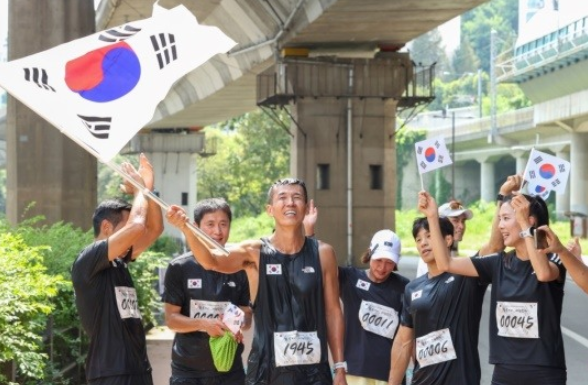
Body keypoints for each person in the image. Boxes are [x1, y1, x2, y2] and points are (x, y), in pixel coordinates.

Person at [166, 178, 347, 385]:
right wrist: (187, 229)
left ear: (306, 208)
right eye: (283, 197)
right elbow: (211, 261)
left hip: (314, 372)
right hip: (266, 371)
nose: (290, 202)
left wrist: (340, 366)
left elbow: (333, 312)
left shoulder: (324, 254)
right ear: (270, 209)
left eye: (297, 197)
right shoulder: (254, 253)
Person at [430, 191, 567, 385]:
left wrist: (528, 228)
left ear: (528, 220)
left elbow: (544, 273)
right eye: (499, 219)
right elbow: (445, 264)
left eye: (506, 218)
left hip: (544, 372)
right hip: (504, 372)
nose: (500, 225)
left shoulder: (554, 259)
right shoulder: (498, 263)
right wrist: (432, 217)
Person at [71, 153, 164, 385]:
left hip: (138, 369)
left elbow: (153, 230)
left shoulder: (120, 259)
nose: (131, 239)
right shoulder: (88, 258)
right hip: (110, 373)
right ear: (106, 227)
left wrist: (147, 191)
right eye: (123, 229)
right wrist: (140, 191)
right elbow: (137, 226)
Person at [389, 192, 486, 385]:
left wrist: (502, 197)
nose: (423, 242)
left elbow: (494, 246)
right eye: (418, 239)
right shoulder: (412, 288)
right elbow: (403, 342)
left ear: (448, 240)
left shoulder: (467, 275)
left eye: (429, 236)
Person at [162, 198, 252, 385]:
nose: (217, 231)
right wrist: (204, 324)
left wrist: (234, 323)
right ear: (196, 226)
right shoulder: (179, 267)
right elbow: (171, 320)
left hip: (229, 370)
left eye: (223, 224)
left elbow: (247, 316)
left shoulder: (241, 267)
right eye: (210, 224)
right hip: (187, 372)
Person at [338, 229, 409, 385]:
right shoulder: (349, 278)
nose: (382, 267)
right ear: (370, 253)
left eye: (389, 262)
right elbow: (319, 266)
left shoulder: (405, 287)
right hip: (355, 373)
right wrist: (309, 231)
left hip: (390, 376)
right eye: (378, 260)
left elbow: (409, 336)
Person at [415, 200, 473, 277]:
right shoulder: (431, 256)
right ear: (440, 223)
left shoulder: (454, 253)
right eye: (455, 220)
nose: (461, 226)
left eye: (463, 221)